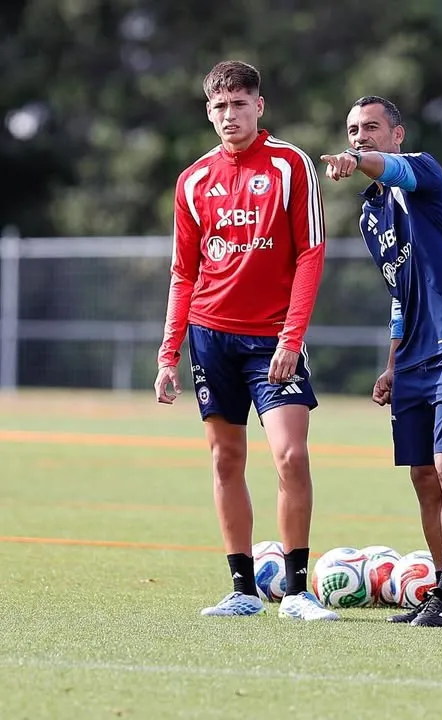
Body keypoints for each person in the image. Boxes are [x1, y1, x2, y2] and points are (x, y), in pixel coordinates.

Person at [154, 60, 337, 621]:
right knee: (225, 459)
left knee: (290, 455)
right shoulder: (193, 180)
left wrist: (291, 336)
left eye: (238, 103)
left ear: (260, 106)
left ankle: (298, 590)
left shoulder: (290, 165)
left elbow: (310, 253)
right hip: (210, 338)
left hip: (272, 342)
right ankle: (242, 591)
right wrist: (168, 356)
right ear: (207, 112)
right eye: (218, 106)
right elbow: (183, 273)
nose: (228, 115)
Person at [321, 96, 442, 628]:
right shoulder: (370, 215)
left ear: (396, 134)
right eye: (352, 129)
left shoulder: (422, 170)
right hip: (414, 356)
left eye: (371, 127)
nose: (360, 136)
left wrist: (358, 162)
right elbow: (400, 293)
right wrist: (392, 363)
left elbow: (387, 168)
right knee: (423, 475)